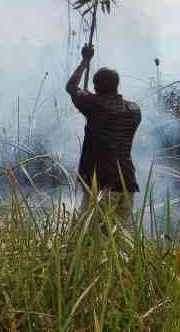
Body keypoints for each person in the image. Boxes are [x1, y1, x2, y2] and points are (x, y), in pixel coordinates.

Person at [66, 45, 142, 226]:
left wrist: (85, 60)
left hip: (101, 185)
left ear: (98, 87)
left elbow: (71, 87)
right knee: (118, 243)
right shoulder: (134, 110)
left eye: (94, 85)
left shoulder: (95, 106)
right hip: (127, 184)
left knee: (88, 241)